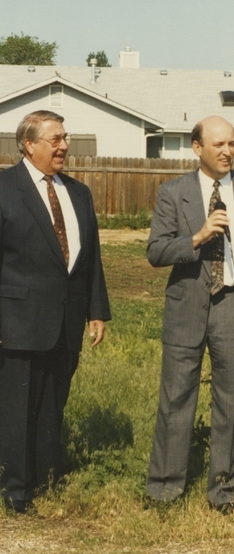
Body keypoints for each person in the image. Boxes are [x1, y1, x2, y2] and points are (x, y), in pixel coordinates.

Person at [146, 115, 234, 513]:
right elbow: (156, 251)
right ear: (197, 147)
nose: (227, 151)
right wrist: (198, 236)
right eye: (218, 145)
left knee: (232, 400)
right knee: (176, 399)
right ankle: (164, 490)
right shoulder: (173, 193)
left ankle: (225, 491)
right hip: (188, 306)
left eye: (232, 144)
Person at [0, 110, 111, 514]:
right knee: (17, 406)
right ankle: (15, 488)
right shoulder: (4, 187)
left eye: (65, 138)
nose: (64, 146)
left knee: (52, 403)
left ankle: (46, 476)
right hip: (16, 320)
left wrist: (96, 310)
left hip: (65, 320)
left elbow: (90, 259)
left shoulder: (78, 193)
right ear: (29, 145)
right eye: (55, 139)